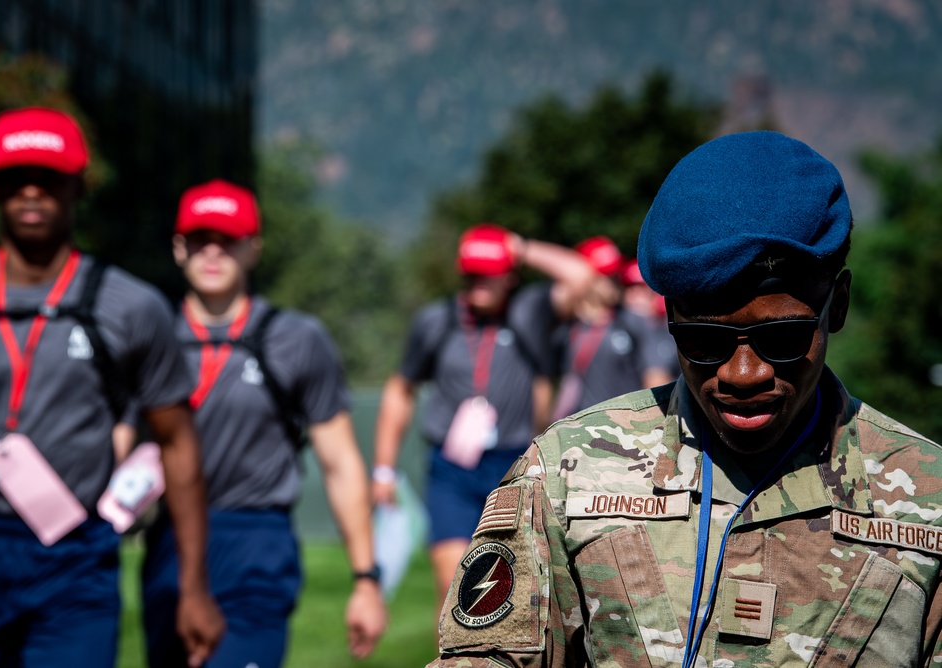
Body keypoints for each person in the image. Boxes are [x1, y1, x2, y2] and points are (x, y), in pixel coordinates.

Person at [427, 131, 942, 667]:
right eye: (705, 341)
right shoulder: (568, 476)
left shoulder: (928, 501)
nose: (745, 374)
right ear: (669, 320)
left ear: (838, 305)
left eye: (783, 339)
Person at [0, 107, 224, 667]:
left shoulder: (133, 307)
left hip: (75, 559)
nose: (31, 192)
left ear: (77, 189)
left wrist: (193, 585)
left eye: (48, 179)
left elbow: (178, 444)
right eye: (16, 177)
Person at [141, 179, 387, 667]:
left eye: (227, 239)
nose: (212, 251)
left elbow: (339, 464)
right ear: (177, 247)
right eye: (198, 238)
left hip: (256, 541)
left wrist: (366, 579)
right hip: (169, 543)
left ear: (253, 249)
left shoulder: (297, 339)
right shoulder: (149, 333)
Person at [372, 223, 594, 606]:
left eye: (488, 275)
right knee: (453, 582)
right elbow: (399, 389)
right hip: (451, 467)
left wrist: (520, 247)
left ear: (509, 276)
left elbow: (582, 275)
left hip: (512, 466)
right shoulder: (436, 320)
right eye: (471, 274)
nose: (478, 283)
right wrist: (384, 469)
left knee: (511, 588)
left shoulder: (531, 313)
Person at [550, 236, 674, 422]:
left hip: (621, 433)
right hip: (575, 432)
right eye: (604, 275)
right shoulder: (567, 325)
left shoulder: (633, 321)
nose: (614, 280)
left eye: (614, 273)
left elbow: (656, 379)